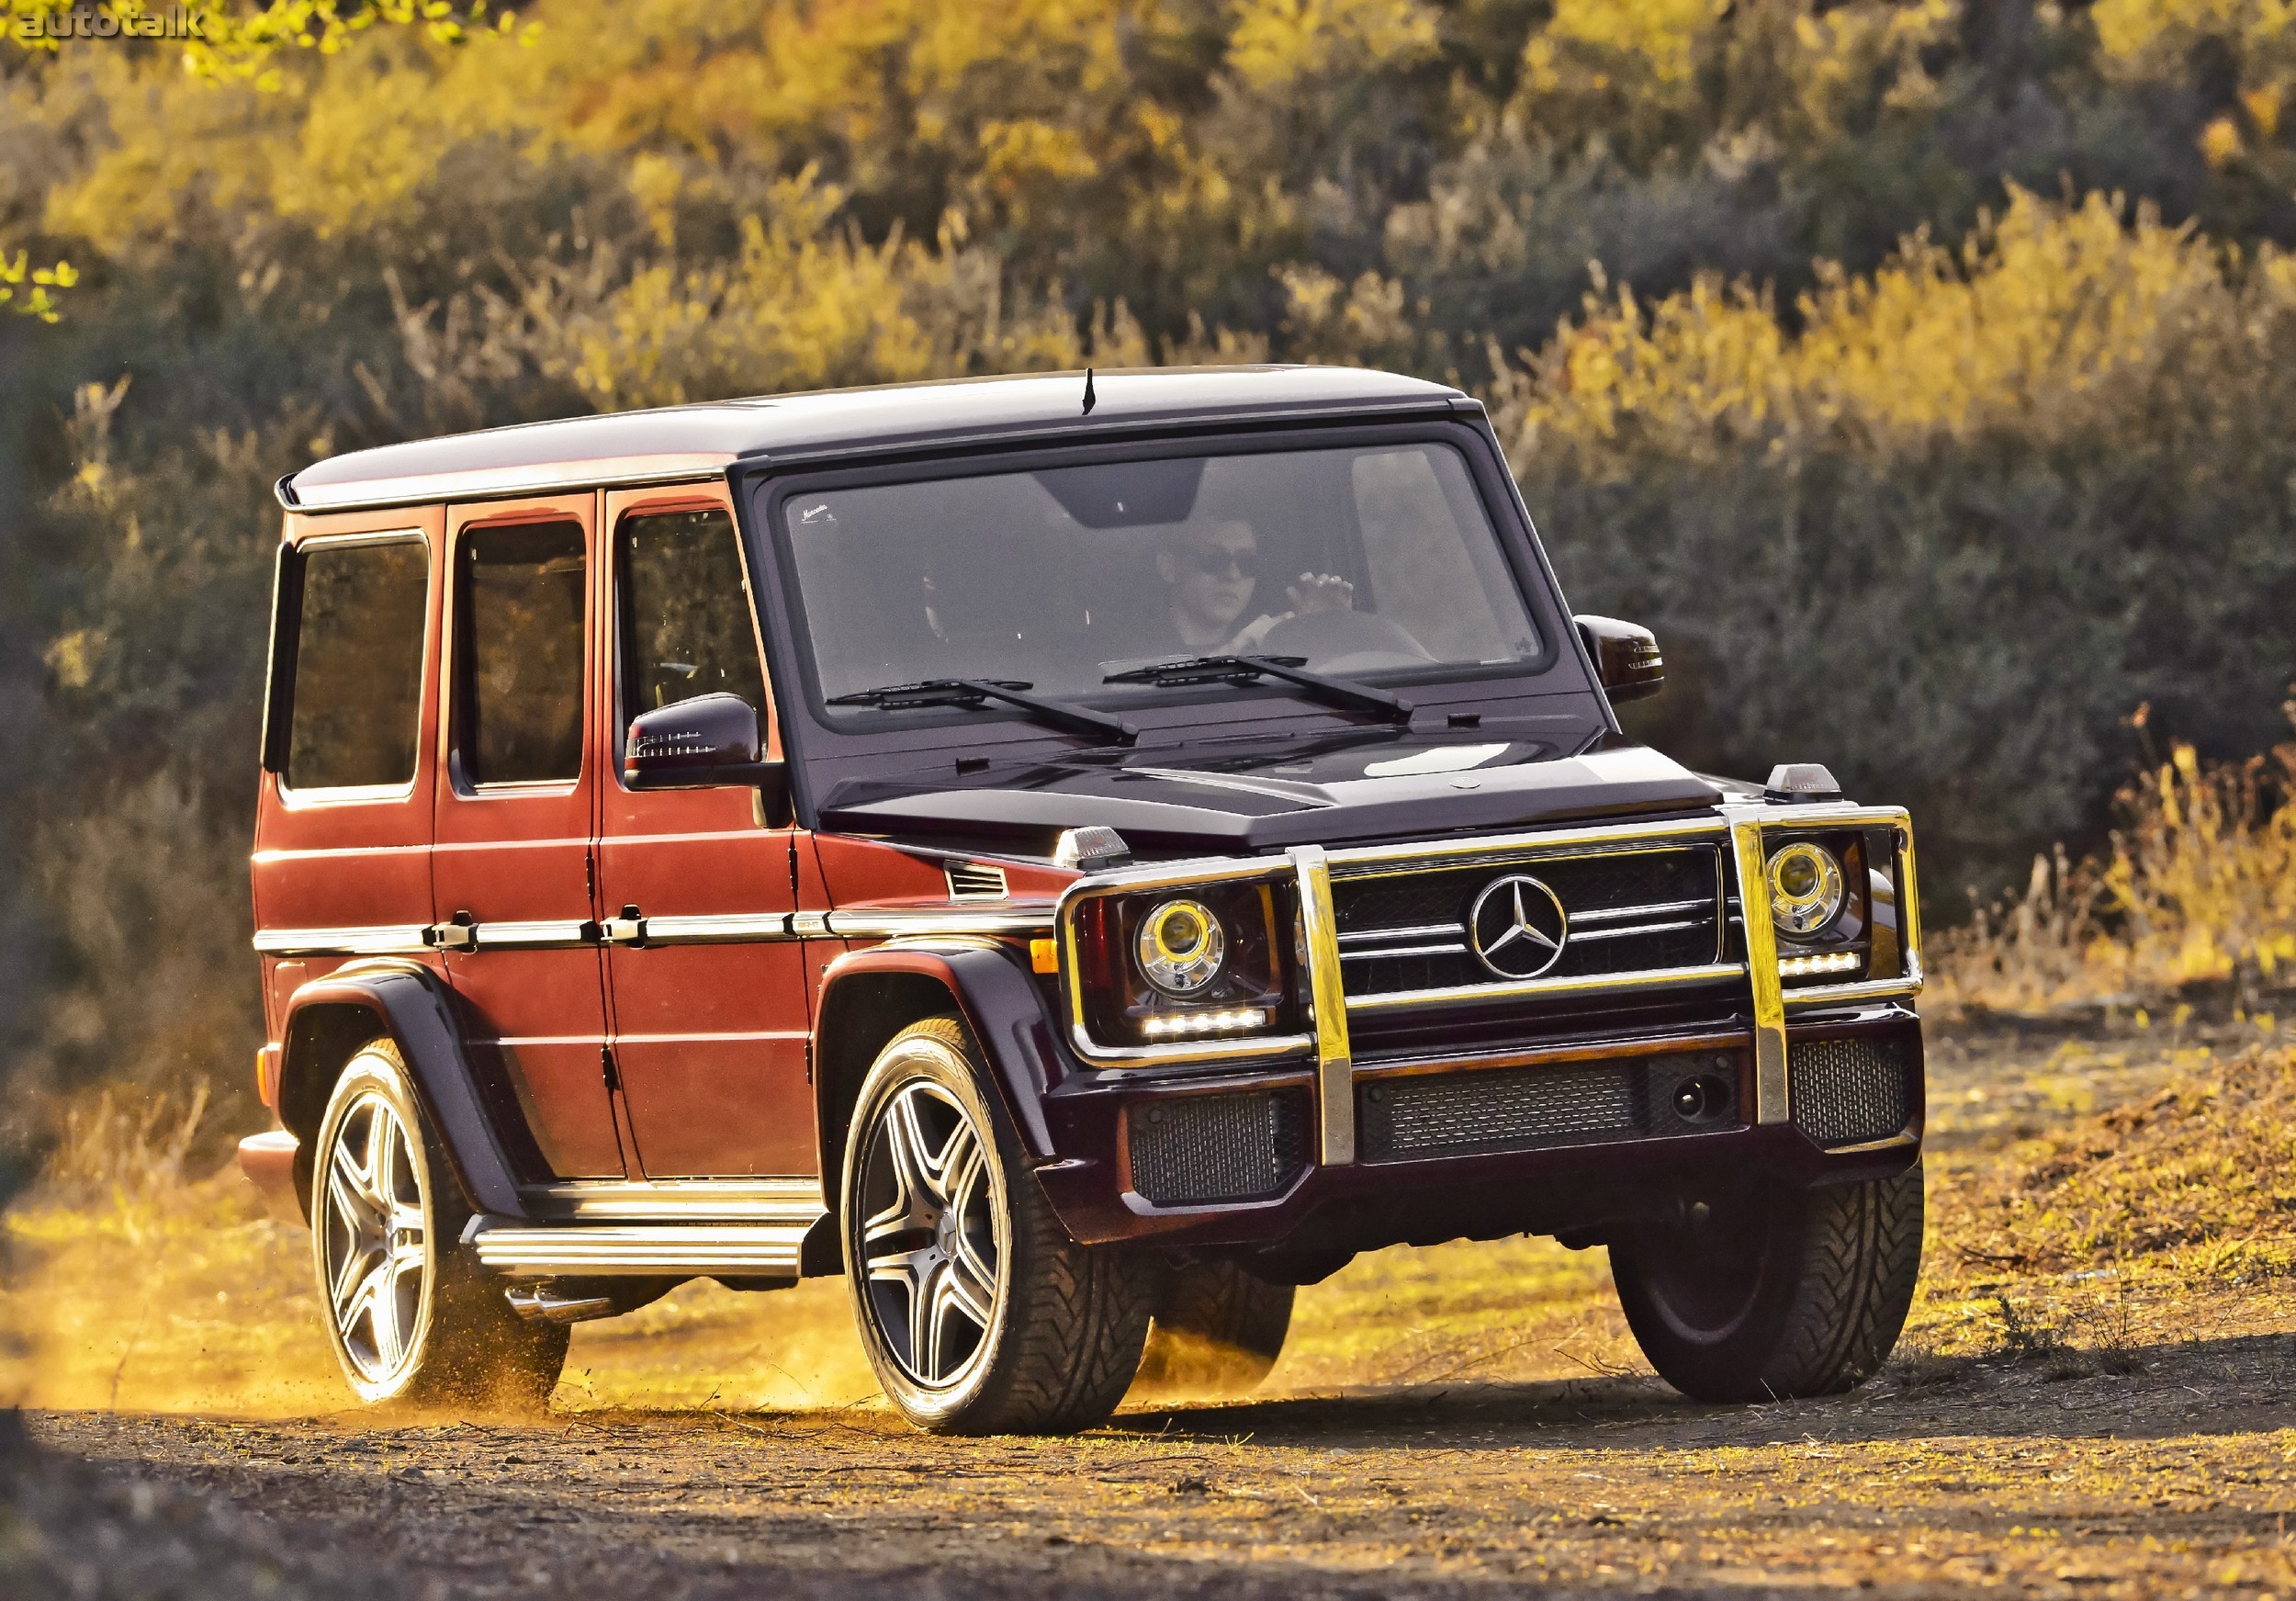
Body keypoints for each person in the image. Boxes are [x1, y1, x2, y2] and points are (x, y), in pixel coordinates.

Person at [1154, 517, 1355, 655]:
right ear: (1169, 567)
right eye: (1214, 558)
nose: (1233, 575)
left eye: (1247, 562)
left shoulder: (1272, 646)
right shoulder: (1130, 651)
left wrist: (1324, 633)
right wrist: (1235, 652)